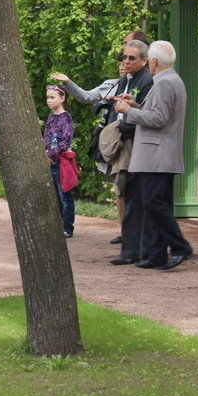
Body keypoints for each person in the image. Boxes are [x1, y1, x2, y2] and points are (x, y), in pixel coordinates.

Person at [51, 30, 152, 245]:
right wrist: (68, 83)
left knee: (130, 187)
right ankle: (127, 233)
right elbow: (87, 97)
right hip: (115, 141)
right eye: (123, 56)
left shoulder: (148, 81)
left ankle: (135, 236)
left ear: (145, 58)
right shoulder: (115, 83)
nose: (124, 60)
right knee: (120, 187)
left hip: (131, 139)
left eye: (129, 56)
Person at [114, 41, 194, 270]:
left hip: (156, 154)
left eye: (149, 59)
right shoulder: (171, 80)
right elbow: (159, 113)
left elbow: (157, 120)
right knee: (159, 204)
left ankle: (180, 246)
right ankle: (157, 255)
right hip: (162, 154)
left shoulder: (163, 83)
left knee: (153, 202)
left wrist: (129, 111)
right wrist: (137, 104)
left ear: (155, 61)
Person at [43, 85, 76, 238]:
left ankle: (68, 228)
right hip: (49, 161)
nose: (49, 100)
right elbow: (47, 138)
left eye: (52, 97)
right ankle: (57, 224)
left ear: (62, 98)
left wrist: (51, 154)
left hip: (61, 162)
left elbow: (65, 141)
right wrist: (44, 152)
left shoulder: (66, 118)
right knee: (54, 195)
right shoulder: (51, 117)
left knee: (65, 195)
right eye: (48, 97)